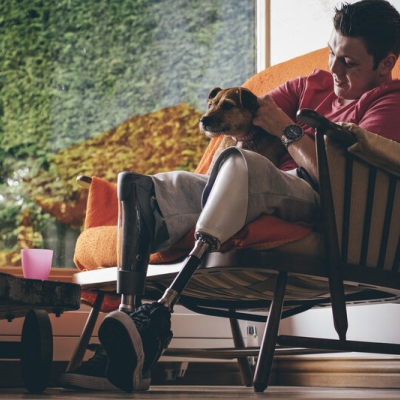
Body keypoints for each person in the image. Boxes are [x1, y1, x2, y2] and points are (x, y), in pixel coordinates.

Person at [60, 0, 400, 392]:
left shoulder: (388, 101)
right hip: (260, 185)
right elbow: (248, 114)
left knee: (245, 166)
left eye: (349, 63)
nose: (334, 69)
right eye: (331, 53)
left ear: (386, 62)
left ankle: (156, 318)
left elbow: (347, 183)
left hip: (321, 203)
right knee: (156, 186)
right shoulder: (310, 84)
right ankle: (128, 340)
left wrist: (288, 132)